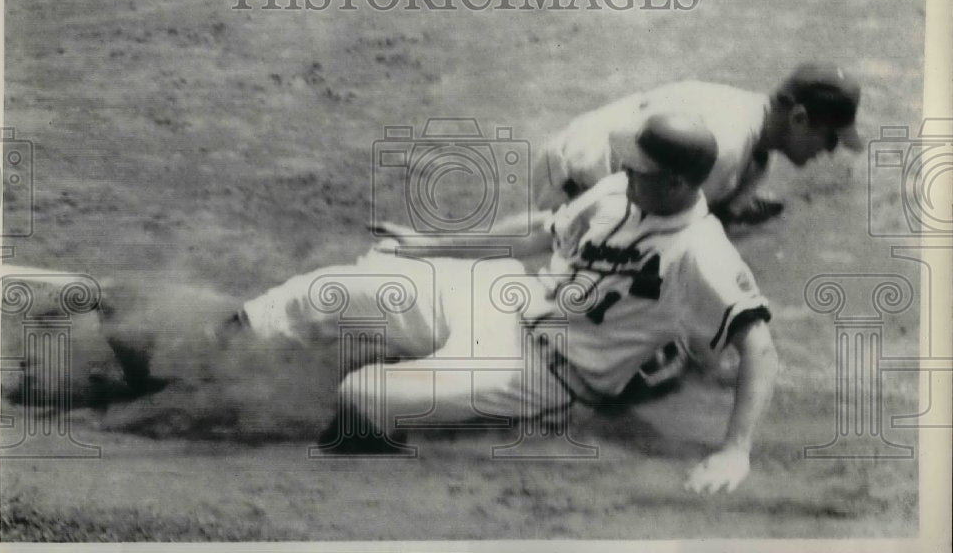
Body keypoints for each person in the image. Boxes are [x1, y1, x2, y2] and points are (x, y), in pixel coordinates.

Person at [223, 113, 779, 494]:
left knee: (364, 395)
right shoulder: (619, 192)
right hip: (504, 300)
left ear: (679, 182)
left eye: (641, 167)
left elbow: (758, 346)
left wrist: (736, 450)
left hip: (542, 373)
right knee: (325, 292)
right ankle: (195, 359)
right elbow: (537, 234)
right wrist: (427, 244)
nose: (626, 170)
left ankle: (339, 487)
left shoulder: (700, 253)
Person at [532, 62, 863, 225]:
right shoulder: (728, 143)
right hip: (573, 177)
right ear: (800, 119)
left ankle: (713, 205)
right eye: (830, 139)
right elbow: (656, 231)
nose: (829, 152)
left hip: (601, 159)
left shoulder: (756, 144)